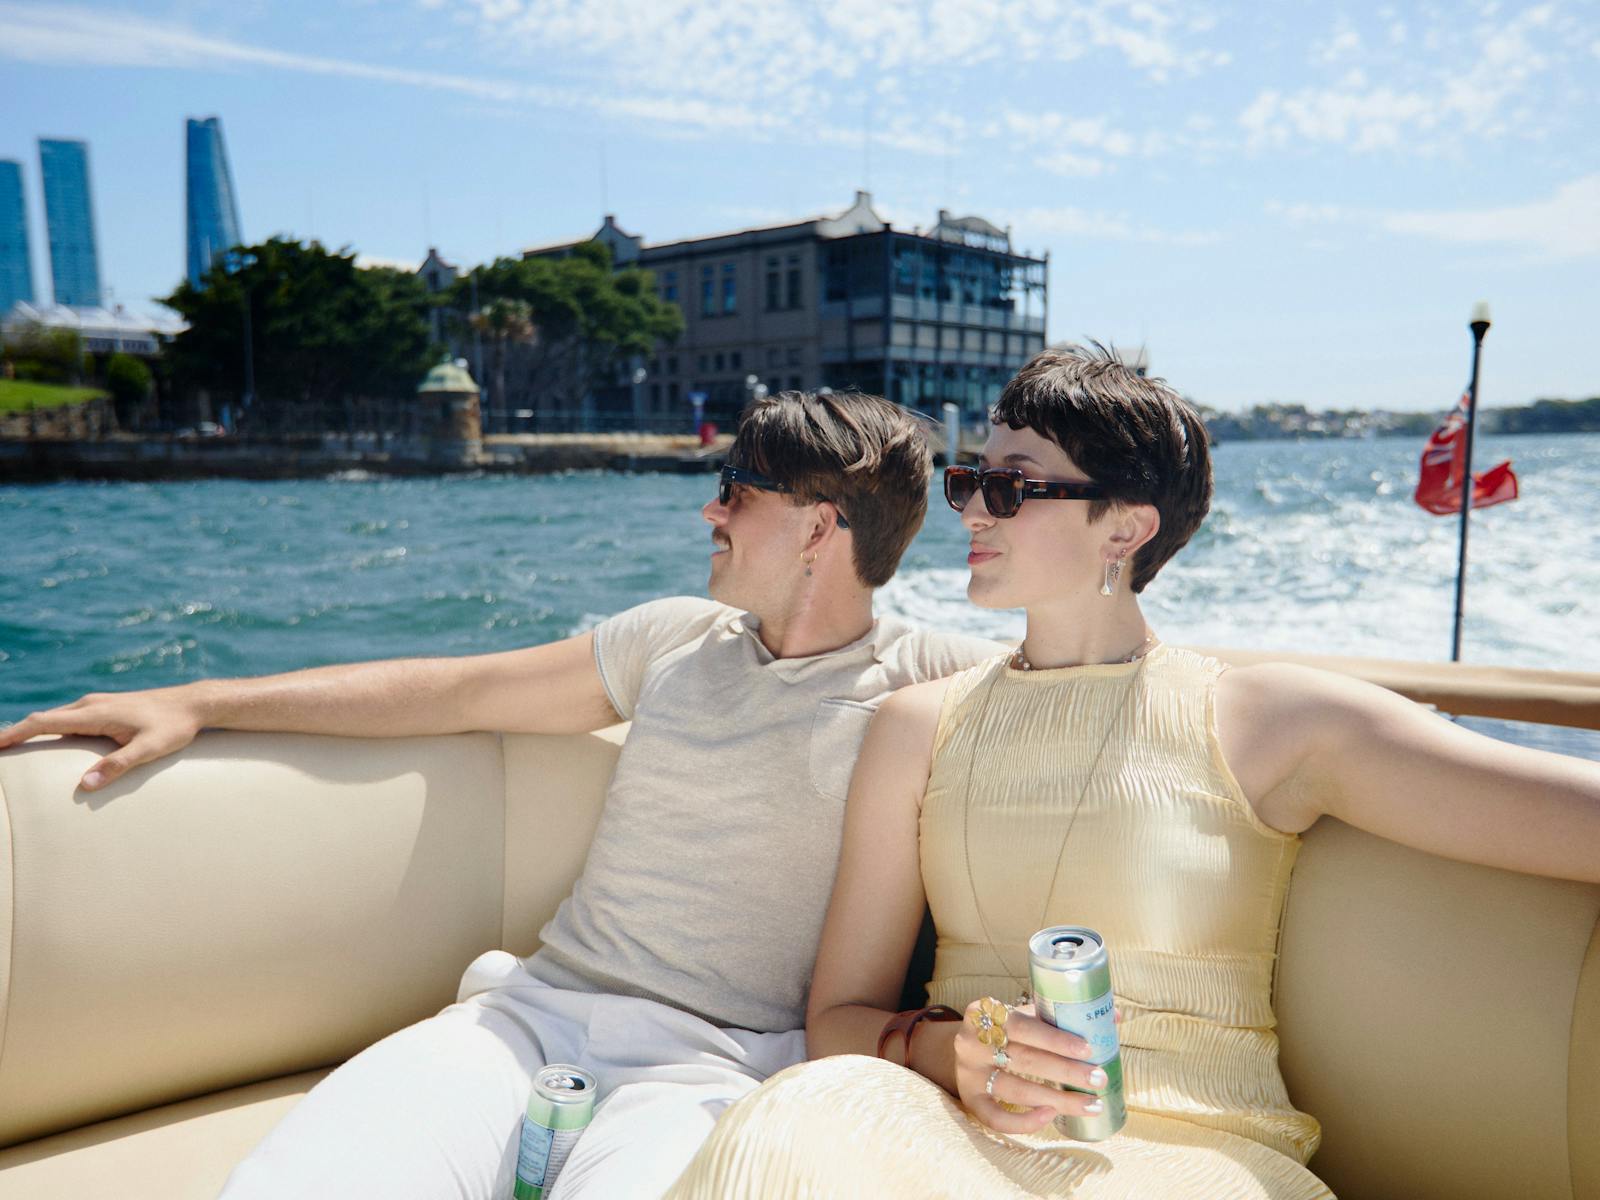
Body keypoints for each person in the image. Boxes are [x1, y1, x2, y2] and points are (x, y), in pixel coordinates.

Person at [0, 390, 1002, 1200]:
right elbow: (457, 688)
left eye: (735, 490)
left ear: (819, 527)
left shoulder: (931, 682)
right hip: (528, 1018)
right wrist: (200, 701)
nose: (711, 510)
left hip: (722, 1066)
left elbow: (1112, 715)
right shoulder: (671, 638)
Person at [661, 347, 1600, 1199]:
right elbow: (837, 1019)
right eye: (973, 479)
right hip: (935, 1131)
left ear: (1126, 529)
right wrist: (955, 1051)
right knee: (784, 1129)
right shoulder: (919, 724)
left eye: (1015, 487)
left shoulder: (1271, 720)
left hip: (1193, 1155)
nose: (976, 508)